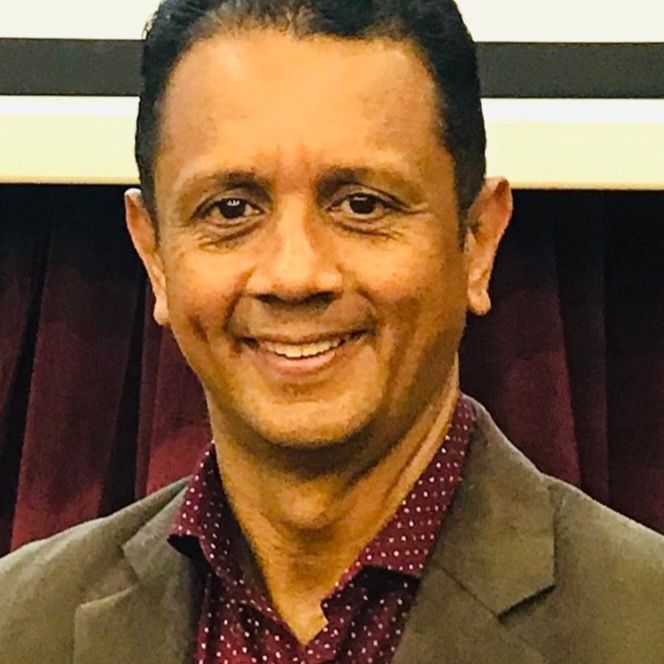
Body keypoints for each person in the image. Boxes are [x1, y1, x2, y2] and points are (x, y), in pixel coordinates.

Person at [2, 1, 664, 662]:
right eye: (230, 209)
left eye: (361, 205)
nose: (295, 275)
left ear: (478, 240)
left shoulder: (642, 621)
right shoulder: (20, 624)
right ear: (154, 256)